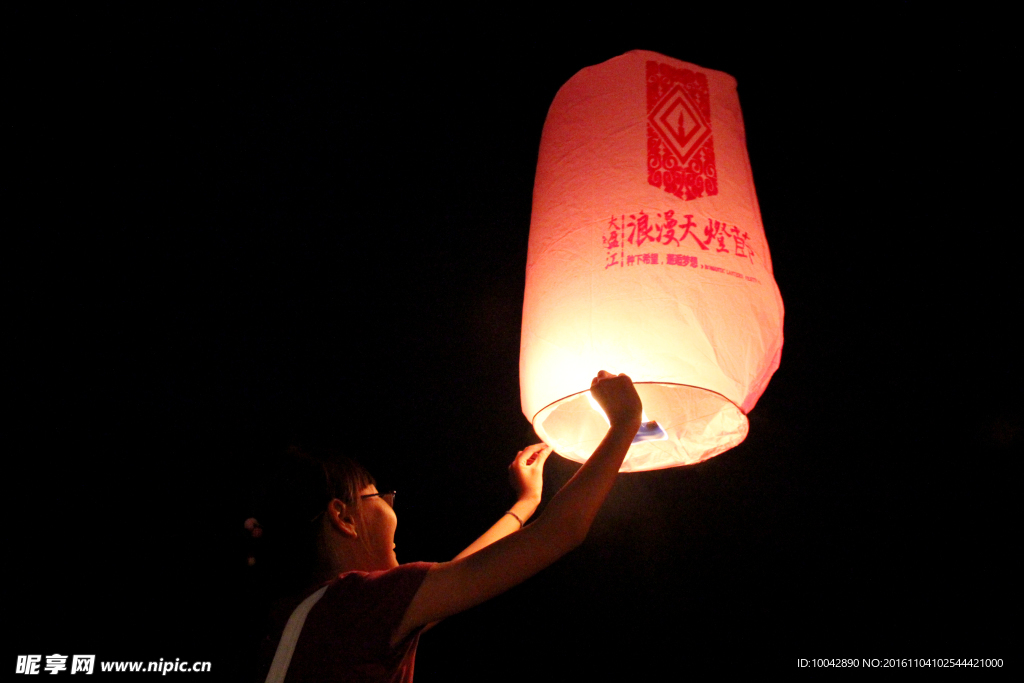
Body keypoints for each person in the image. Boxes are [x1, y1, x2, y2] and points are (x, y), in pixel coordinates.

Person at [257, 370, 642, 682]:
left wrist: (525, 505)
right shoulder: (356, 603)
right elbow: (562, 531)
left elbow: (467, 574)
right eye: (379, 497)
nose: (393, 511)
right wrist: (625, 419)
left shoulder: (311, 617)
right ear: (343, 517)